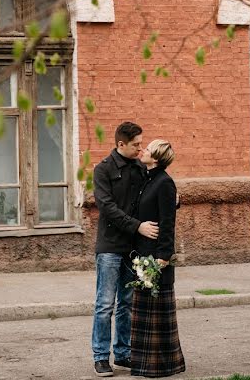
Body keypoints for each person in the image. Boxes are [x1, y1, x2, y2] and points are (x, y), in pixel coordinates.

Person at [92, 122, 159, 378]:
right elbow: (107, 208)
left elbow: (155, 193)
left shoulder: (141, 168)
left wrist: (173, 200)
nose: (140, 148)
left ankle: (123, 353)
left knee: (127, 304)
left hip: (133, 249)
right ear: (121, 144)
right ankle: (100, 357)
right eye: (136, 145)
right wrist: (138, 227)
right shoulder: (103, 170)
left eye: (141, 144)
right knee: (105, 305)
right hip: (110, 247)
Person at [130, 139, 186, 378]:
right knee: (145, 314)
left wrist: (164, 256)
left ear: (156, 158)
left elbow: (167, 222)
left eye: (148, 149)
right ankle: (145, 364)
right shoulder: (148, 176)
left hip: (156, 256)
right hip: (143, 253)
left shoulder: (164, 182)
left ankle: (162, 366)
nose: (143, 150)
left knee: (157, 315)